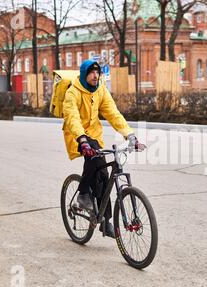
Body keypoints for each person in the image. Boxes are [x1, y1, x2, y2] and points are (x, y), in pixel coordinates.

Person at [62, 60, 146, 238]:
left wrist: (130, 136)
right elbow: (72, 118)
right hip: (77, 134)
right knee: (93, 159)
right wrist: (82, 140)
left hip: (94, 136)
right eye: (91, 73)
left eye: (97, 73)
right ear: (85, 74)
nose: (95, 76)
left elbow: (113, 114)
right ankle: (83, 195)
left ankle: (104, 220)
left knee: (103, 177)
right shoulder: (73, 92)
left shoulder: (100, 90)